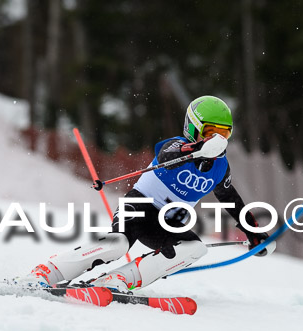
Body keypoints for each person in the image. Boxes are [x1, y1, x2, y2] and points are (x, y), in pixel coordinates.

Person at [16, 95, 276, 293]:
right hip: (139, 208)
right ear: (194, 128)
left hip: (168, 223)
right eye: (211, 133)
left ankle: (116, 281)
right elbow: (167, 154)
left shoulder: (220, 167)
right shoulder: (177, 146)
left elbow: (231, 201)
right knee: (117, 245)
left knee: (194, 248)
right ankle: (46, 272)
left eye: (224, 134)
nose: (217, 141)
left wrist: (255, 233)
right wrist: (196, 150)